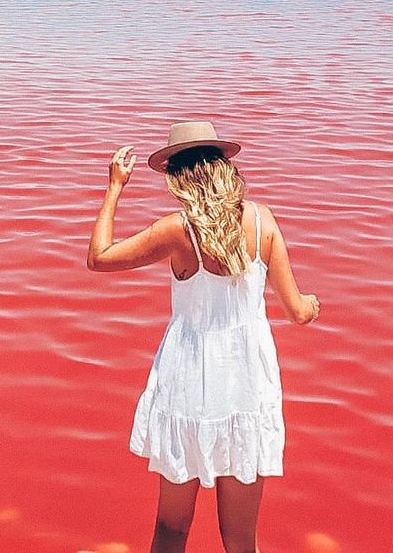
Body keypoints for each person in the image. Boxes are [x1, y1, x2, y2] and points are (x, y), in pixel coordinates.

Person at [87, 120, 320, 553]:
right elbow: (297, 312)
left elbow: (99, 259)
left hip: (190, 383)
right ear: (224, 168)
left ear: (178, 178)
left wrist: (115, 187)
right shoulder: (262, 221)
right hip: (248, 387)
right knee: (240, 541)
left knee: (172, 530)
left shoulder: (178, 230)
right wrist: (313, 303)